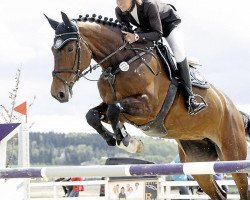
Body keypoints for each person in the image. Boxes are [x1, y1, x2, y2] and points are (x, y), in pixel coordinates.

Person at [115, 0, 207, 115]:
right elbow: (127, 33)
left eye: (121, 0)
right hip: (148, 27)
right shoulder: (119, 11)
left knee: (178, 52)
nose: (118, 3)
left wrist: (137, 36)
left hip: (169, 24)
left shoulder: (149, 5)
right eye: (116, 0)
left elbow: (158, 34)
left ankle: (190, 99)